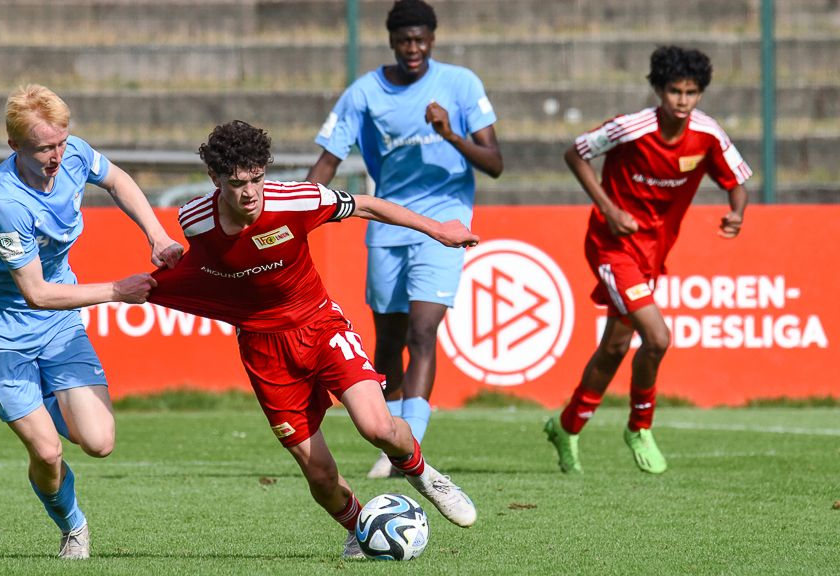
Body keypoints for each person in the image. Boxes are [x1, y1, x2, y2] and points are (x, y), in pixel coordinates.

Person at [147, 120, 479, 559]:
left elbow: (366, 205)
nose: (250, 193)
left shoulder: (297, 199)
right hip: (264, 349)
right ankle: (360, 530)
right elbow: (207, 266)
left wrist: (438, 230)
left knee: (379, 428)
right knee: (319, 475)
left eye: (256, 179)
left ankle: (425, 476)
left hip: (320, 326)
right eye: (237, 183)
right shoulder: (194, 220)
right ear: (215, 179)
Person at [0, 84, 183, 559]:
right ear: (14, 145)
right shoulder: (5, 202)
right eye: (43, 148)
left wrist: (157, 235)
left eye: (60, 142)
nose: (57, 156)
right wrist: (117, 292)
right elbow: (36, 293)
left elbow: (117, 180)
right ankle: (73, 526)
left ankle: (42, 401)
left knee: (99, 442)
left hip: (56, 325)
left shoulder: (73, 152)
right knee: (47, 451)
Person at [306, 0, 503, 479]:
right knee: (389, 340)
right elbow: (328, 162)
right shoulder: (363, 93)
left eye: (420, 40)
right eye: (404, 41)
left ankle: (410, 442)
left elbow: (495, 163)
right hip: (388, 223)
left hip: (446, 225)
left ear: (432, 39)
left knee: (422, 331)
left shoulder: (461, 84)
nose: (413, 48)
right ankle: (392, 439)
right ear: (392, 42)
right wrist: (293, 214)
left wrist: (450, 134)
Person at [544, 46, 751, 475]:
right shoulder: (631, 127)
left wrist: (737, 212)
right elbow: (576, 153)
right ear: (658, 89)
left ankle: (567, 426)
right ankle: (640, 427)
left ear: (700, 93)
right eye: (674, 91)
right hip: (612, 245)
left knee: (616, 346)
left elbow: (737, 182)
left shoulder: (708, 134)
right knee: (657, 338)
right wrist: (609, 209)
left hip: (653, 253)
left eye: (691, 92)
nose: (683, 100)